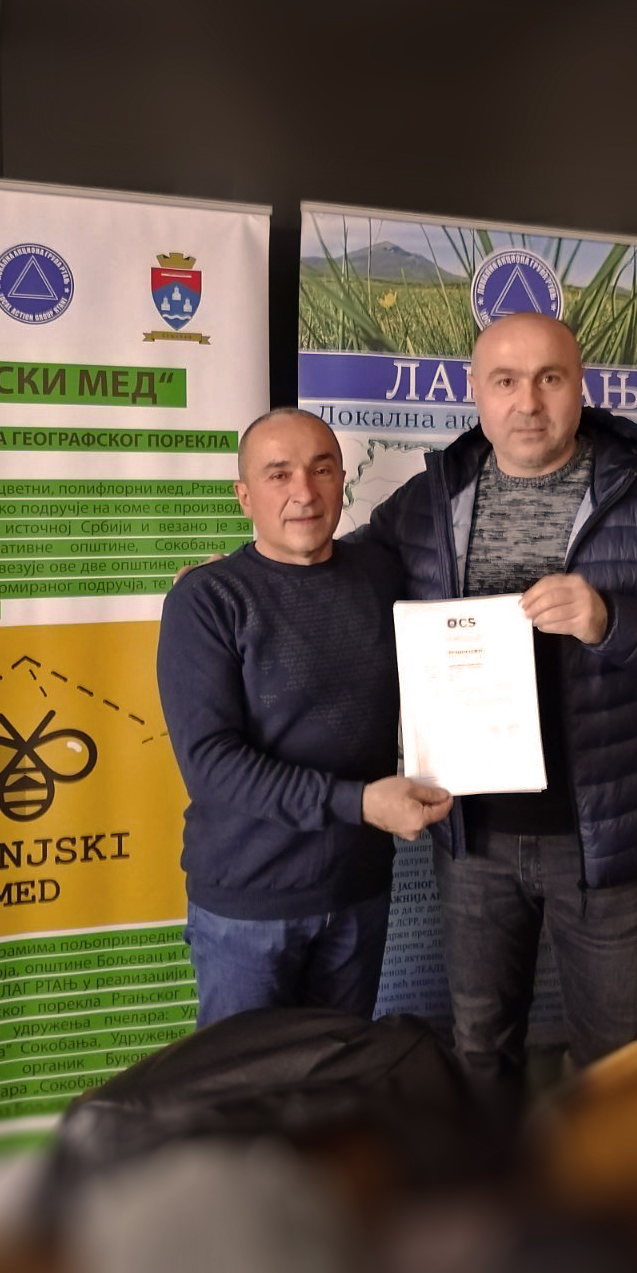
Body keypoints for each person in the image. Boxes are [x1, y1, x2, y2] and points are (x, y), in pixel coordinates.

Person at [359, 312, 637, 1102]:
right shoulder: (429, 500)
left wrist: (610, 620)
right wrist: (243, 581)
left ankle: (601, 1183)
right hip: (471, 833)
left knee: (616, 1060)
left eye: (549, 378)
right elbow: (341, 582)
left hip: (605, 834)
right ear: (475, 391)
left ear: (581, 386)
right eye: (505, 381)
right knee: (479, 1046)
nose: (527, 402)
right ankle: (497, 1180)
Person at [156, 408, 451, 1026]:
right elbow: (211, 765)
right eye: (278, 474)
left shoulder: (381, 575)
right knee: (246, 1081)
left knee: (339, 1076)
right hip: (248, 908)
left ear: (342, 479)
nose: (304, 493)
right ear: (244, 496)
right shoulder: (207, 600)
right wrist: (360, 803)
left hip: (357, 891)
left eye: (322, 470)